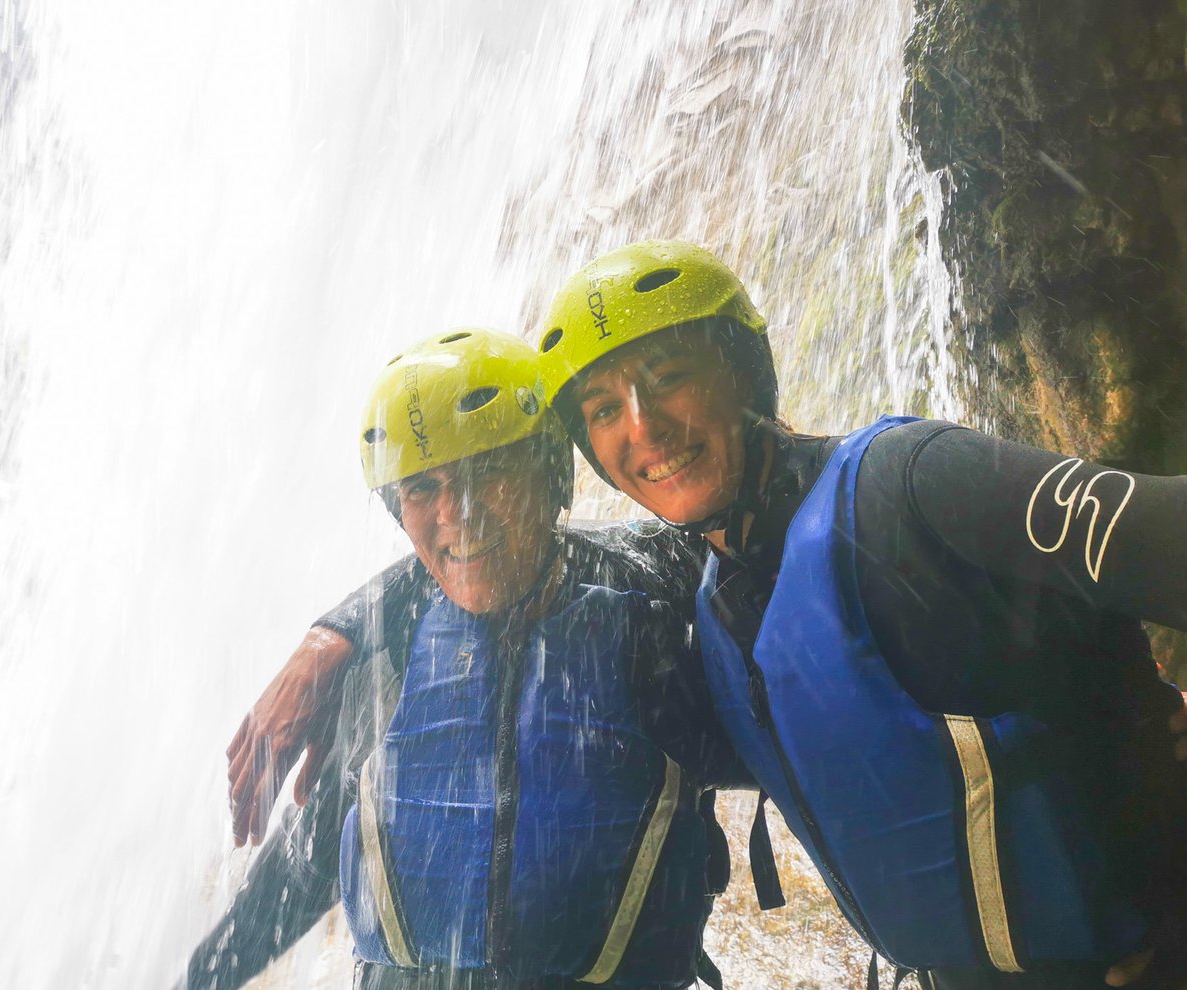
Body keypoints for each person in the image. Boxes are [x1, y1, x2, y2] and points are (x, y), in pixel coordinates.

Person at [229, 241, 1187, 990]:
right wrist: (338, 630)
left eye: (671, 374)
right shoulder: (708, 607)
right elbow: (486, 560)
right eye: (604, 407)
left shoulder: (912, 485)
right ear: (588, 456)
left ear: (743, 371)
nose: (642, 427)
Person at [184, 329, 743, 990]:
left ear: (549, 473)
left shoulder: (654, 602)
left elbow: (758, 540)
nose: (456, 512)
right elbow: (308, 863)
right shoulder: (386, 659)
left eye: (488, 468)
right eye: (421, 489)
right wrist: (204, 976)